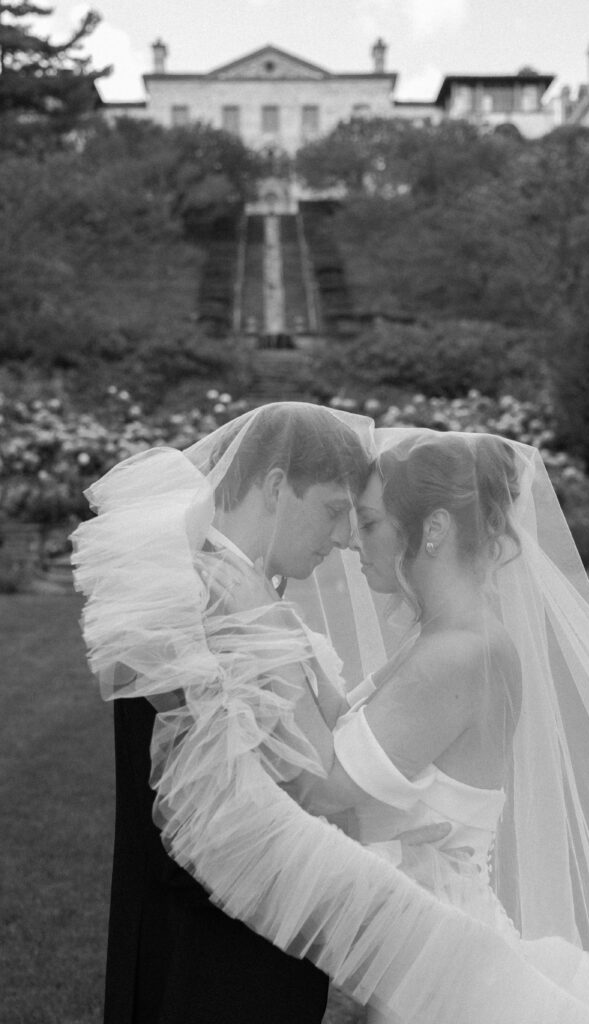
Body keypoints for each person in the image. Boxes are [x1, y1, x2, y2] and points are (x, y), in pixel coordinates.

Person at [74, 410, 589, 1024]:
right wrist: (282, 633)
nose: (352, 541)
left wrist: (267, 624)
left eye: (367, 522)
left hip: (436, 967)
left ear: (435, 530)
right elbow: (340, 732)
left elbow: (328, 784)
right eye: (348, 516)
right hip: (401, 956)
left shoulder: (461, 653)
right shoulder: (437, 641)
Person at [72, 402, 373, 1024]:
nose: (344, 538)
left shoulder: (221, 581)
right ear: (273, 486)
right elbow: (246, 801)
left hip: (213, 922)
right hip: (219, 947)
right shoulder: (207, 596)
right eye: (333, 510)